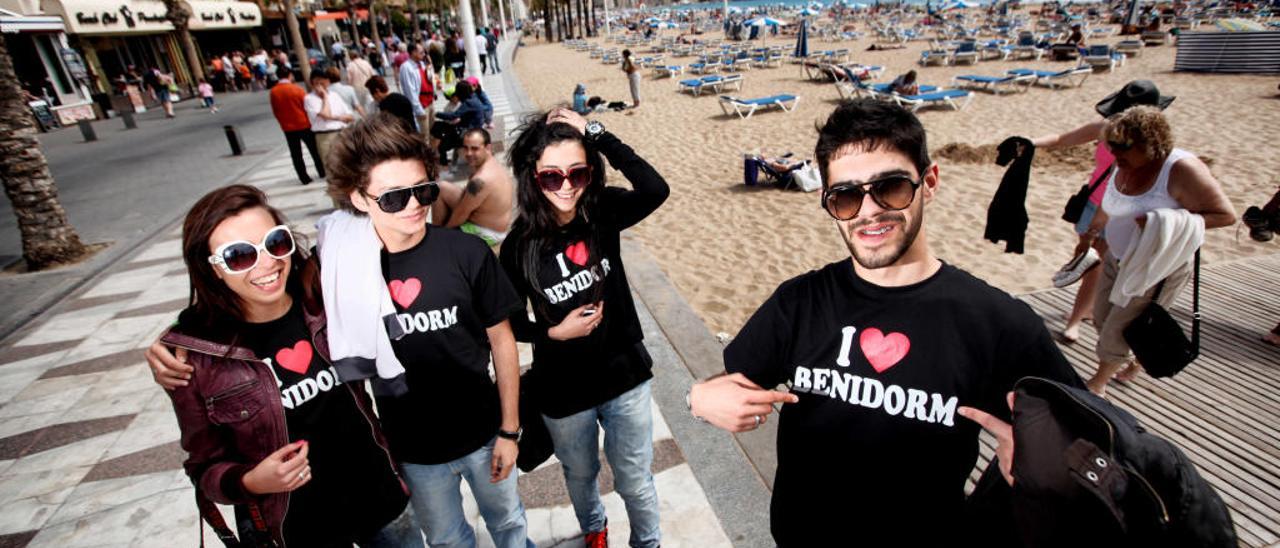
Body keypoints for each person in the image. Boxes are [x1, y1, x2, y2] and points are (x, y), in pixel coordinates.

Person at [687, 99, 1085, 546]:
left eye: (891, 187)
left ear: (928, 182)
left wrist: (1047, 470)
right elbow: (729, 383)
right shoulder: (800, 302)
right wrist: (698, 398)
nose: (869, 210)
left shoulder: (998, 323)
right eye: (846, 196)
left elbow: (1088, 443)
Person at [156, 184, 420, 547]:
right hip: (299, 529)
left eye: (275, 242)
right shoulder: (197, 360)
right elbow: (204, 467)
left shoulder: (324, 297)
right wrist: (250, 482)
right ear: (211, 269)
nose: (266, 263)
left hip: (381, 499)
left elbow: (380, 213)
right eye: (238, 256)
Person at [321, 116, 535, 548]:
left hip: (483, 431)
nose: (415, 205)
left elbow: (502, 341)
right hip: (414, 450)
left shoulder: (466, 251)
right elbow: (264, 299)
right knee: (446, 541)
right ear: (359, 199)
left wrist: (510, 431)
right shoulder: (339, 269)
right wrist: (174, 344)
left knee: (510, 524)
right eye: (395, 197)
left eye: (423, 189)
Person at [501, 108, 670, 548]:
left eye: (577, 173)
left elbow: (655, 188)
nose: (566, 186)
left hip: (624, 374)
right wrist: (553, 334)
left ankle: (647, 544)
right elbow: (512, 323)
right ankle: (595, 529)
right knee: (580, 474)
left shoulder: (602, 211)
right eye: (551, 177)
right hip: (563, 388)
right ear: (531, 178)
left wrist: (595, 130)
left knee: (634, 478)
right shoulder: (519, 247)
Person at [1078, 106, 1235, 396]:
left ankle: (1098, 383)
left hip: (1155, 266)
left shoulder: (1183, 169)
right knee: (1101, 317)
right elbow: (1111, 198)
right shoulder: (1124, 162)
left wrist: (1161, 222)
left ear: (1150, 143)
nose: (1115, 155)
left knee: (1117, 328)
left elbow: (1225, 215)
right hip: (1119, 256)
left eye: (1122, 148)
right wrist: (1096, 228)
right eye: (1111, 148)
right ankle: (1137, 358)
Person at [1031, 80, 1176, 344]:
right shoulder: (1104, 129)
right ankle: (1087, 309)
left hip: (1123, 211)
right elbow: (1064, 139)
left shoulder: (1151, 145)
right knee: (1087, 257)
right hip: (1093, 202)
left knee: (1096, 262)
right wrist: (1030, 143)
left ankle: (1075, 320)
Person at [431, 128, 514, 246]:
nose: (469, 153)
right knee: (441, 188)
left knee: (446, 227)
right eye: (466, 148)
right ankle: (436, 231)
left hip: (487, 233)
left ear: (488, 147)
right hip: (496, 226)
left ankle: (435, 237)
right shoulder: (492, 164)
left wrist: (445, 233)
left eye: (475, 148)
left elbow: (461, 214)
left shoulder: (480, 179)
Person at [269, 66, 325, 184]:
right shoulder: (297, 89)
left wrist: (282, 122)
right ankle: (321, 171)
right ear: (290, 75)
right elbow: (306, 107)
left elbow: (276, 110)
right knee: (314, 150)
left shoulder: (274, 92)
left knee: (296, 154)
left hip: (288, 127)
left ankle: (303, 177)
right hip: (303, 124)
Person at [304, 71, 354, 170]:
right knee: (332, 167)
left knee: (349, 164)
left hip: (342, 132)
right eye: (316, 83)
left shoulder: (335, 95)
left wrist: (336, 118)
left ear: (328, 82)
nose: (319, 86)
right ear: (311, 83)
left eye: (322, 83)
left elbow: (350, 116)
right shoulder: (309, 98)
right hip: (325, 135)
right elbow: (325, 115)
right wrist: (325, 98)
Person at [433, 82, 485, 166]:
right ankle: (448, 161)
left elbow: (453, 116)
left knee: (442, 145)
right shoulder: (474, 98)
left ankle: (444, 163)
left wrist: (436, 114)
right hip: (474, 127)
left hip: (469, 131)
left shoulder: (468, 103)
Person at [398, 43, 434, 136]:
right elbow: (410, 91)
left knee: (432, 132)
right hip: (421, 105)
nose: (424, 54)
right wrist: (418, 110)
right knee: (424, 135)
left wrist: (430, 66)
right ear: (413, 52)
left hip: (430, 101)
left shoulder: (422, 64)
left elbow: (429, 79)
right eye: (421, 52)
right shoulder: (406, 67)